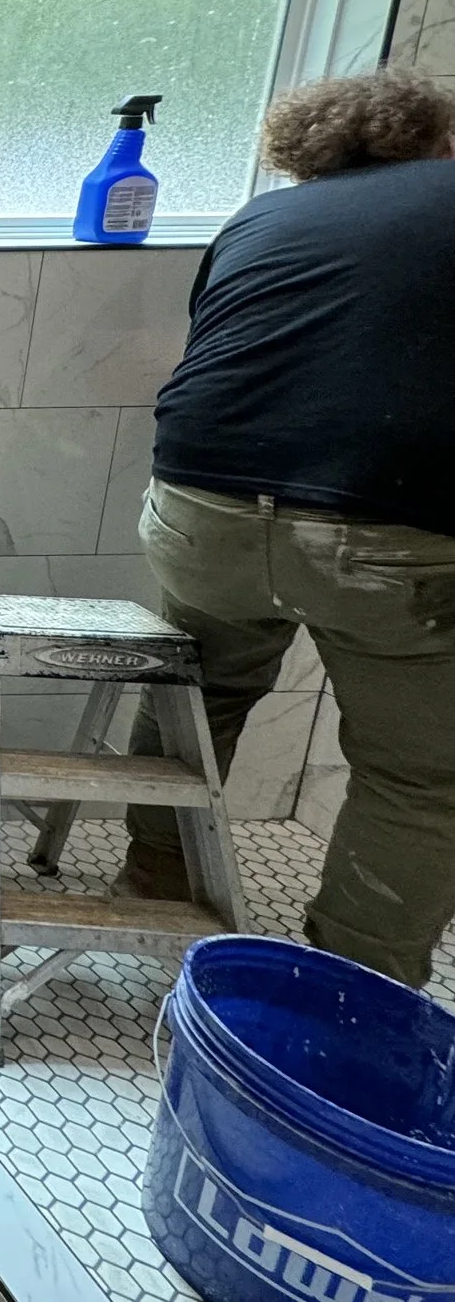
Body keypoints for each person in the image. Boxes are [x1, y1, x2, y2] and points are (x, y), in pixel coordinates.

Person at [120, 67, 455, 988]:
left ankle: (153, 887)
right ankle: (355, 989)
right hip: (386, 528)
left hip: (200, 507)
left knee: (201, 697)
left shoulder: (262, 218)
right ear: (439, 141)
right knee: (420, 776)